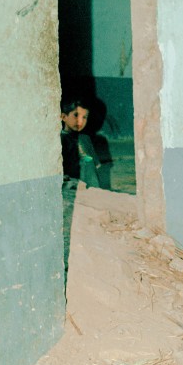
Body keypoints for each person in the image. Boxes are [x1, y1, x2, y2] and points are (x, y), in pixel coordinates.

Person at [60, 97, 103, 271]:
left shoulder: (84, 139)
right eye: (76, 115)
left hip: (88, 193)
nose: (80, 121)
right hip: (68, 194)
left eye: (84, 117)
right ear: (63, 116)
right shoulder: (58, 141)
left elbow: (94, 169)